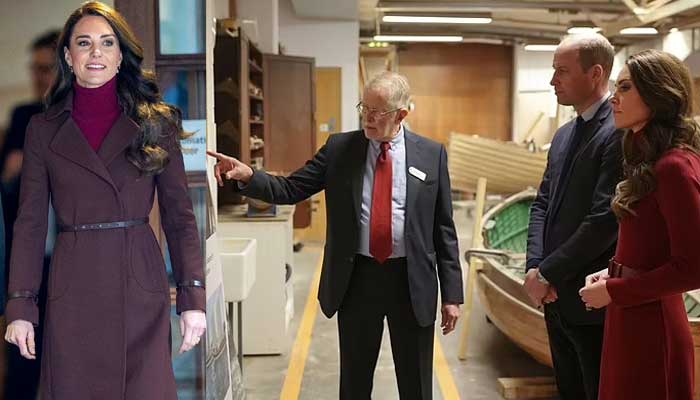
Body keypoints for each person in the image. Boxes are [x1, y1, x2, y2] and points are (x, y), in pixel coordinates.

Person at [208, 71, 463, 399]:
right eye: (364, 108)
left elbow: (444, 228)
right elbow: (292, 188)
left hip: (411, 281)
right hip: (358, 279)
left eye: (377, 111)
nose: (367, 117)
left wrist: (452, 295)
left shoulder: (431, 154)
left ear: (401, 115)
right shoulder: (341, 149)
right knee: (355, 382)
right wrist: (248, 176)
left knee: (416, 384)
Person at [3, 3, 206, 399]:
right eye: (84, 43)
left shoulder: (156, 123)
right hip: (73, 288)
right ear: (68, 57)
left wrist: (192, 297)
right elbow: (29, 224)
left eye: (107, 43)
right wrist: (21, 306)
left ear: (120, 56)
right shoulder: (42, 129)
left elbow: (179, 218)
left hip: (140, 283)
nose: (96, 52)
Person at [580, 49, 700, 400]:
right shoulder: (652, 160)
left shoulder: (674, 167)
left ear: (658, 93)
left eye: (625, 87)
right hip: (633, 317)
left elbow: (694, 268)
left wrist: (616, 290)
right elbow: (650, 247)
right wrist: (612, 272)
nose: (614, 98)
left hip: (652, 325)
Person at [524, 33, 622, 400]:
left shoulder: (617, 134)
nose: (553, 80)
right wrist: (535, 267)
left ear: (596, 74)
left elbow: (603, 221)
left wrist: (547, 273)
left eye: (562, 71)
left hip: (590, 299)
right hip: (554, 297)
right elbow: (542, 204)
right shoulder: (565, 134)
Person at [1, 29, 60, 400]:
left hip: (70, 253)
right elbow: (7, 179)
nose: (38, 77)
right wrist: (14, 171)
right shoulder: (23, 116)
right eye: (34, 68)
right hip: (30, 253)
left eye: (46, 68)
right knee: (22, 351)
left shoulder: (75, 117)